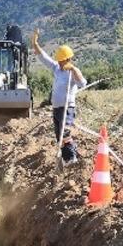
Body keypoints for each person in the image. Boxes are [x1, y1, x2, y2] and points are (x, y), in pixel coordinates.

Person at [32, 30, 87, 164]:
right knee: (59, 136)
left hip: (67, 108)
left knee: (65, 133)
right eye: (59, 60)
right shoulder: (57, 68)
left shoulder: (73, 72)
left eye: (62, 60)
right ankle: (66, 158)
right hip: (56, 108)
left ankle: (72, 158)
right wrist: (35, 44)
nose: (60, 63)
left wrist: (73, 69)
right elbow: (44, 58)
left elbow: (82, 83)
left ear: (68, 59)